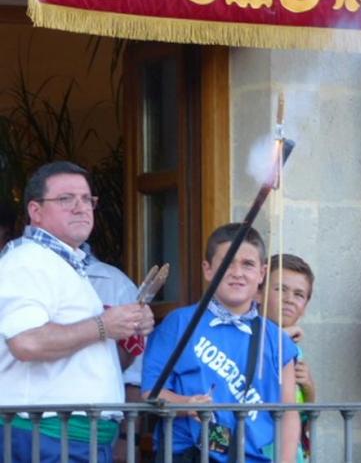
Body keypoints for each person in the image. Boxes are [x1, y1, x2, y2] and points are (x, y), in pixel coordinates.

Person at [0, 161, 155, 462]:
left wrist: (127, 328)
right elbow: (26, 342)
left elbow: (89, 358)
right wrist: (103, 325)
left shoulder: (64, 264)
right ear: (35, 211)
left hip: (75, 438)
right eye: (65, 199)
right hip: (47, 437)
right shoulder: (26, 261)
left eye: (86, 199)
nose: (80, 207)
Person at [142, 223, 300, 462]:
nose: (237, 272)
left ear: (262, 273)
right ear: (208, 270)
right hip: (187, 455)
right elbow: (150, 393)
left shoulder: (278, 339)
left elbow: (288, 412)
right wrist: (186, 404)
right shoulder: (179, 323)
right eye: (227, 262)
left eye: (248, 264)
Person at [85, 247, 147, 462]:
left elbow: (134, 378)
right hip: (19, 427)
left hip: (97, 433)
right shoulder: (16, 266)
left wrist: (128, 439)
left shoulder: (114, 284)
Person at [266, 253, 316, 462]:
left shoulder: (295, 349)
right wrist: (280, 337)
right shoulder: (246, 337)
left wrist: (309, 387)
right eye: (280, 289)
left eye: (299, 294)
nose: (289, 299)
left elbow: (305, 416)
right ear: (259, 292)